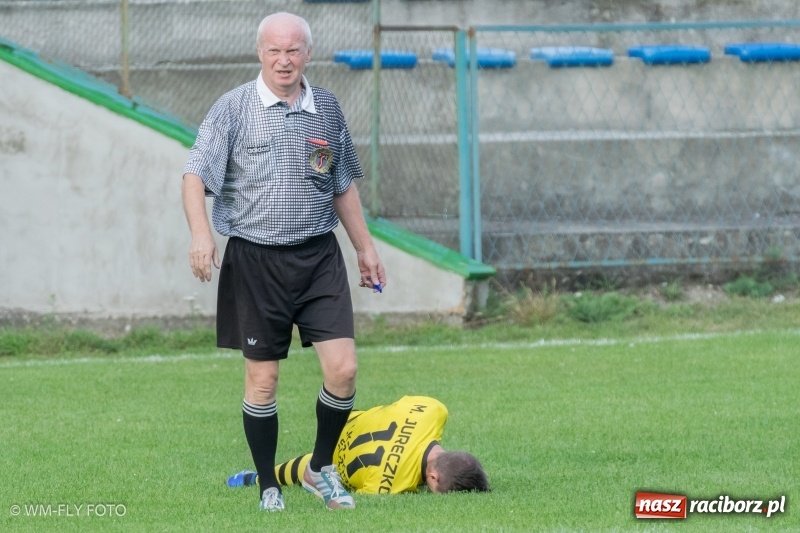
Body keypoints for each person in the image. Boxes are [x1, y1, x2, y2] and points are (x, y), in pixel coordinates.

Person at [181, 12, 386, 513]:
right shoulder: (233, 108)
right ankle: (268, 485)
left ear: (307, 54)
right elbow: (194, 175)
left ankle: (319, 468)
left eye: (293, 50)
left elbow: (341, 184)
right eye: (274, 50)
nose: (284, 60)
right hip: (255, 262)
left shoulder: (326, 108)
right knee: (263, 380)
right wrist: (201, 235)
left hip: (318, 257)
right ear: (260, 53)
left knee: (344, 369)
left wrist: (365, 248)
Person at [227, 396, 491, 495]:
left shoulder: (433, 411)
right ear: (432, 477)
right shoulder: (390, 486)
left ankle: (252, 478)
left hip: (341, 422)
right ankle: (252, 478)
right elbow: (359, 492)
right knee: (304, 470)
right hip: (332, 460)